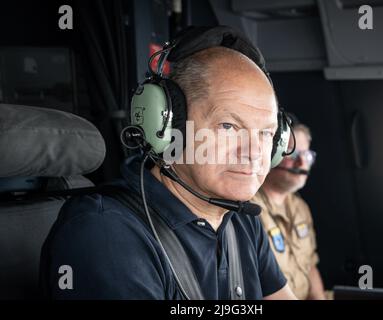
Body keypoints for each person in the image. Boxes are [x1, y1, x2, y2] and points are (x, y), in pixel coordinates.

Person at [40, 26, 297, 300]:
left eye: (266, 133)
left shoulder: (240, 220)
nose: (254, 152)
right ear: (167, 125)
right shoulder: (104, 233)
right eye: (228, 126)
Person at [252, 117, 326, 300]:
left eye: (307, 156)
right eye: (293, 155)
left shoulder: (300, 207)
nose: (302, 164)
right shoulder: (249, 210)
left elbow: (310, 265)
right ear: (272, 156)